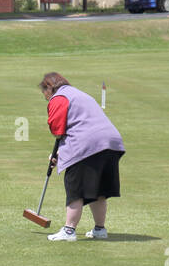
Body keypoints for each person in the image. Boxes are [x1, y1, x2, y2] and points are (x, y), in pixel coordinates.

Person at [39, 71, 125, 241]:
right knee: (98, 190)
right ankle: (100, 229)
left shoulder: (59, 97)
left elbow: (57, 128)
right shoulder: (79, 94)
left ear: (49, 88)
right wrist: (60, 153)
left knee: (75, 188)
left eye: (45, 95)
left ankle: (69, 230)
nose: (46, 99)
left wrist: (62, 153)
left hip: (87, 144)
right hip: (110, 143)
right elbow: (79, 125)